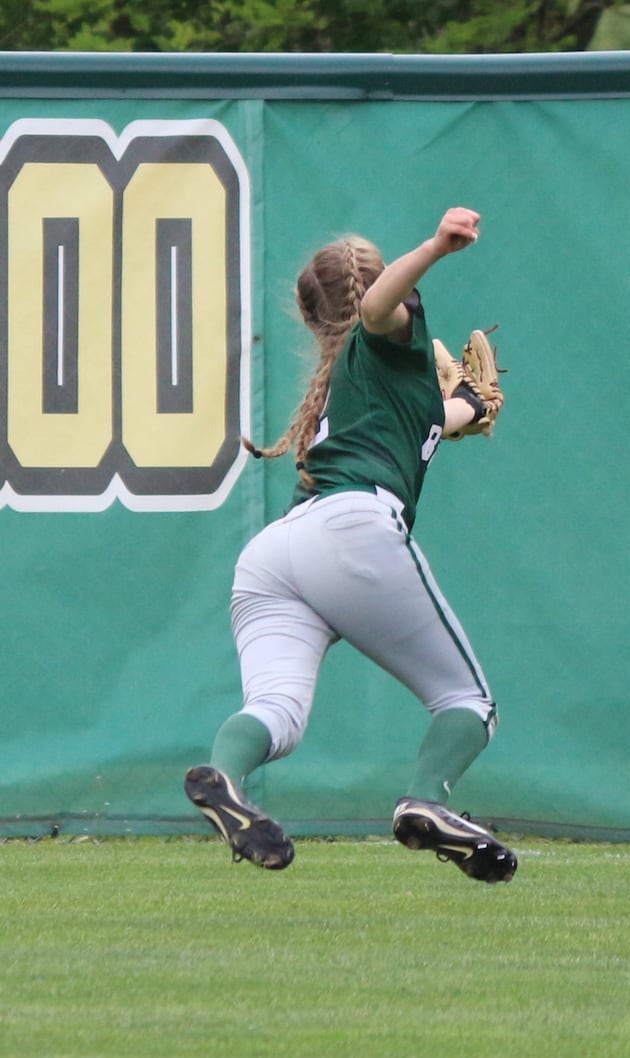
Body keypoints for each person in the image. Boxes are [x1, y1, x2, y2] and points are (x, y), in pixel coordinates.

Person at [184, 205, 516, 884]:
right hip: (353, 531)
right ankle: (425, 803)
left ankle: (223, 775)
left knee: (277, 713)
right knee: (468, 703)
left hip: (277, 556)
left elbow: (442, 419)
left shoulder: (365, 382)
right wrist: (433, 247)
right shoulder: (384, 334)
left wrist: (470, 408)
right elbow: (377, 308)